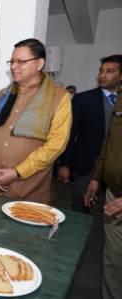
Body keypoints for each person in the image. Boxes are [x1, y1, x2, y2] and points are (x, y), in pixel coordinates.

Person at [0, 38, 72, 203]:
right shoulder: (3, 95)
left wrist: (18, 172)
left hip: (29, 190)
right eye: (12, 61)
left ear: (39, 63)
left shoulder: (59, 97)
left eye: (21, 61)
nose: (13, 66)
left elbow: (57, 144)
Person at [58, 55, 122, 212]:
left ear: (121, 76)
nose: (102, 75)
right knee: (81, 209)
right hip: (86, 165)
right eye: (101, 71)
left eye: (109, 71)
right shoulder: (83, 99)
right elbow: (70, 133)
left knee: (111, 212)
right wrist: (65, 164)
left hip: (116, 169)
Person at [84, 92, 122, 299]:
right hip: (114, 193)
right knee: (114, 261)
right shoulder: (120, 98)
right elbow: (110, 142)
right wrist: (97, 177)